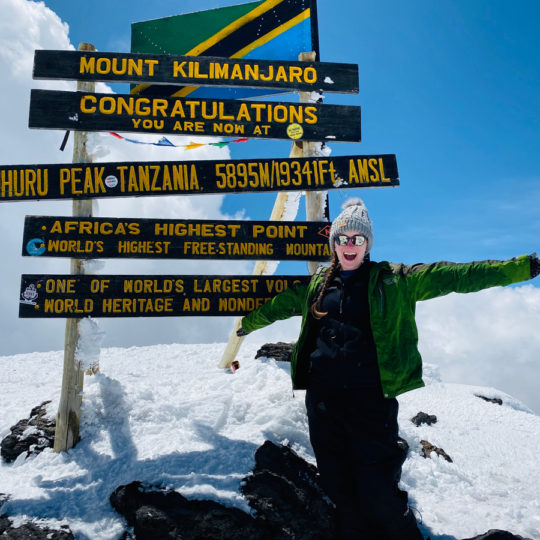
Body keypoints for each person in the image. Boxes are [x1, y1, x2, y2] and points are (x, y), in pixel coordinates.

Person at [236, 198, 540, 539]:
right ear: (333, 243)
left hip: (370, 401)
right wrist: (247, 324)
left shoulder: (395, 280)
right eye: (343, 238)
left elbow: (459, 275)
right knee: (339, 488)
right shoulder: (318, 284)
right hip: (323, 401)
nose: (349, 245)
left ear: (368, 244)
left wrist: (523, 267)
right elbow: (282, 305)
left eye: (357, 239)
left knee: (378, 492)